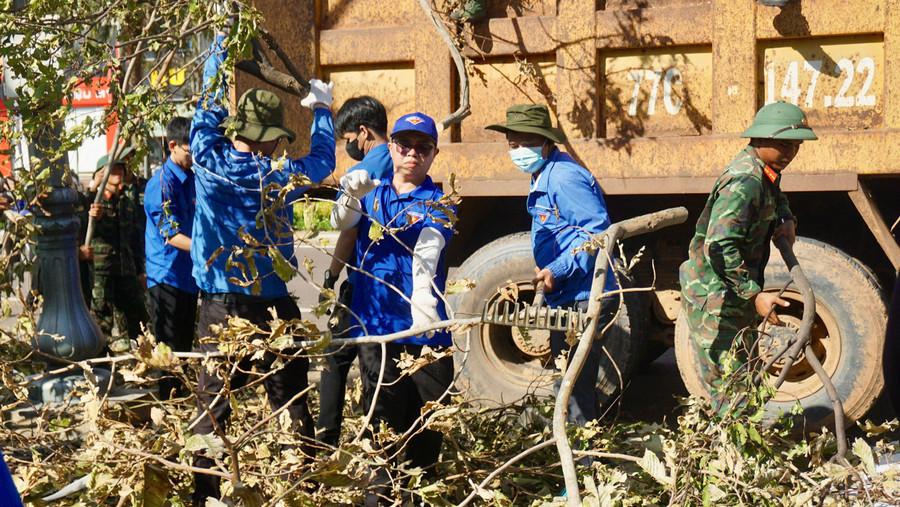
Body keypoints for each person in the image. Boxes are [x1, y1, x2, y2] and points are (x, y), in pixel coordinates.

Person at [189, 32, 336, 505]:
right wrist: (322, 111)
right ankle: (307, 486)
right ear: (274, 140)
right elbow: (323, 159)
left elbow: (205, 112)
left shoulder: (208, 164)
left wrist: (218, 47)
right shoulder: (282, 175)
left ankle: (203, 494)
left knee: (212, 405)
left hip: (219, 306)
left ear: (235, 132)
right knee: (289, 395)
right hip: (273, 303)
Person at [330, 112, 455, 505]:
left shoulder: (440, 202)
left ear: (434, 154)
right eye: (404, 145)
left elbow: (429, 248)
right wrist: (350, 194)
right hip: (379, 330)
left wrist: (422, 295)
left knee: (425, 434)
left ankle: (418, 497)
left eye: (423, 148)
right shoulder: (373, 193)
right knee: (382, 434)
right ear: (392, 148)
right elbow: (342, 224)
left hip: (427, 334)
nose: (412, 154)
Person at [485, 104, 619, 427]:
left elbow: (598, 235)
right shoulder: (544, 173)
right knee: (571, 385)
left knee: (574, 391)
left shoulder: (563, 178)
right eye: (512, 145)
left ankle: (583, 468)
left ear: (545, 143)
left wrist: (557, 270)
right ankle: (579, 458)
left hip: (584, 295)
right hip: (571, 295)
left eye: (525, 144)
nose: (518, 152)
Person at [679, 101, 815, 394]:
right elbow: (719, 244)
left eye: (797, 146)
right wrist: (754, 295)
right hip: (715, 299)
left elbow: (775, 193)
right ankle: (725, 441)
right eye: (785, 145)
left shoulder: (765, 169)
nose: (792, 153)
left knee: (747, 378)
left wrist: (786, 217)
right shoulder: (745, 180)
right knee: (728, 390)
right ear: (761, 139)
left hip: (732, 295)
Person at [316, 96, 393, 448]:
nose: (347, 147)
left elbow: (347, 229)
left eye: (347, 138)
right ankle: (376, 440)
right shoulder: (402, 158)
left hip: (365, 283)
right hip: (391, 282)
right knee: (374, 365)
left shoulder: (364, 171)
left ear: (362, 133)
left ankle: (327, 440)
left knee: (337, 359)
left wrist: (332, 276)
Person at [143, 116, 198, 400]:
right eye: (190, 151)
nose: (194, 156)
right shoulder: (161, 184)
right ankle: (168, 409)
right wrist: (204, 249)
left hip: (189, 277)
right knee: (168, 354)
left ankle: (182, 405)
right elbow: (171, 235)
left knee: (185, 350)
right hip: (165, 277)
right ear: (172, 146)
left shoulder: (192, 179)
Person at [87, 154, 149, 343]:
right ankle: (101, 363)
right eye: (113, 169)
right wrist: (91, 194)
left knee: (137, 318)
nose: (119, 173)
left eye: (121, 169)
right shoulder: (93, 203)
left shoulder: (126, 201)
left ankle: (135, 358)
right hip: (101, 270)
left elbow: (135, 239)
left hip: (126, 268)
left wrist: (140, 270)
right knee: (101, 320)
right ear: (101, 174)